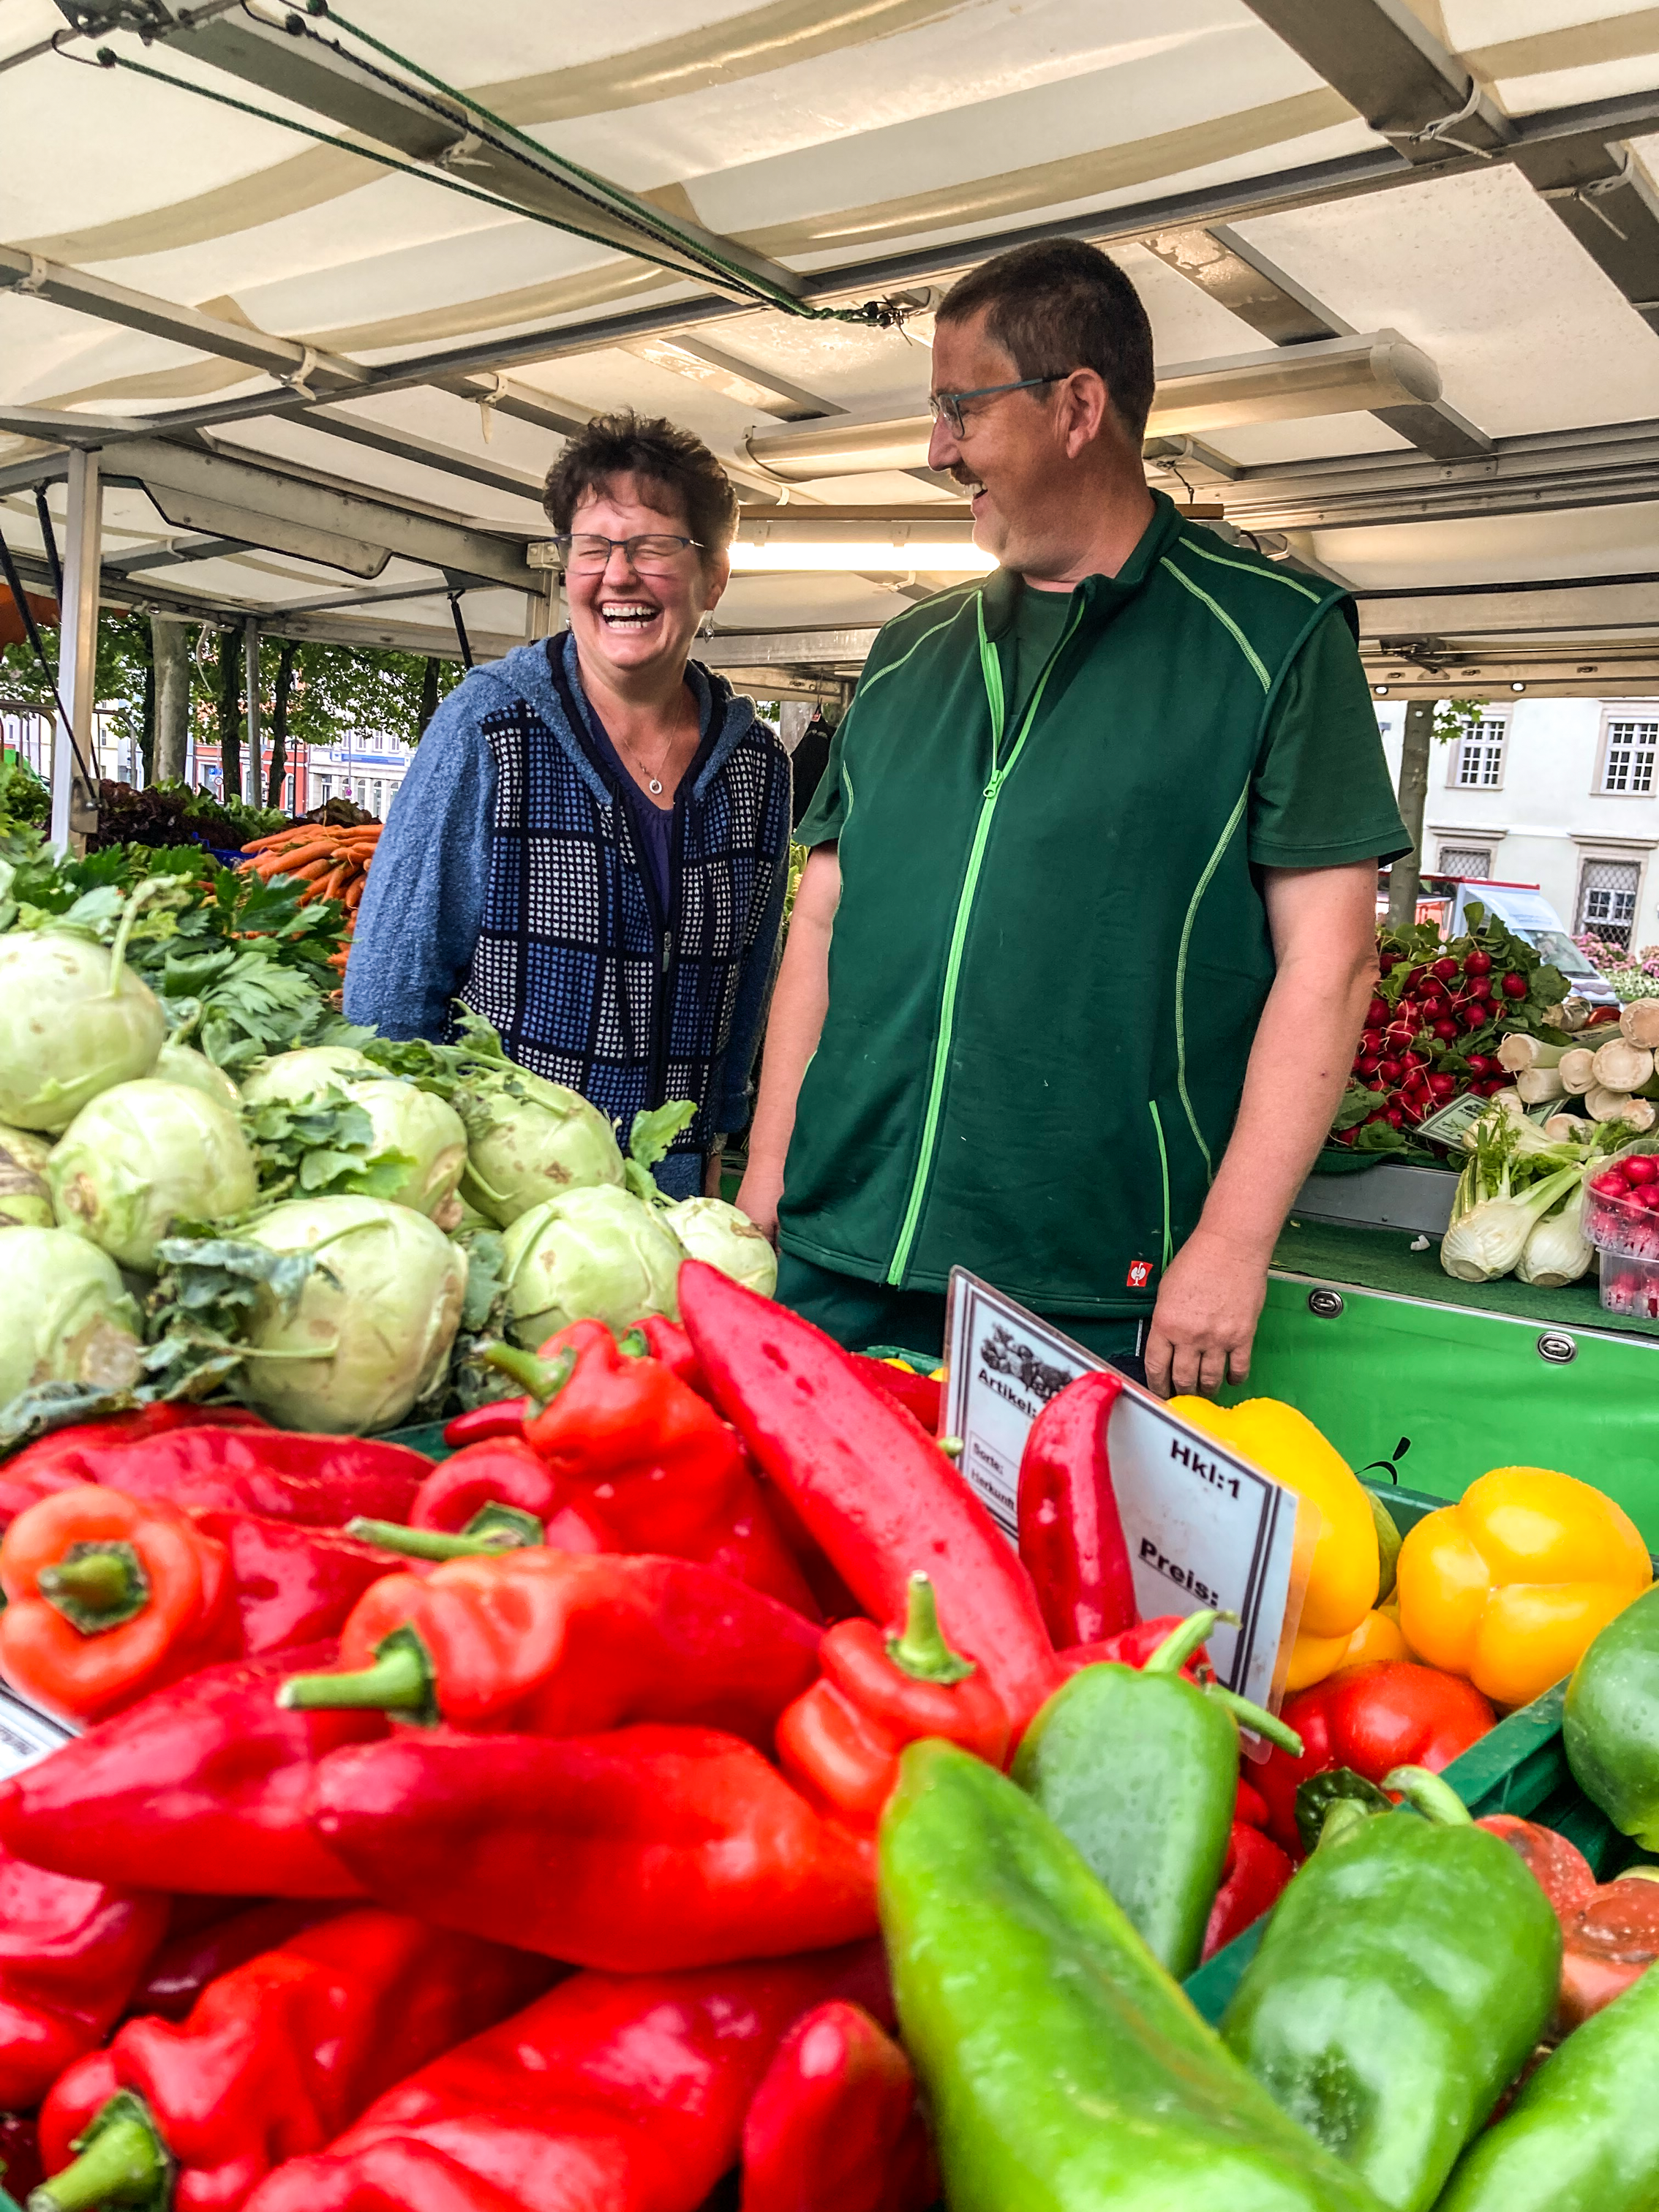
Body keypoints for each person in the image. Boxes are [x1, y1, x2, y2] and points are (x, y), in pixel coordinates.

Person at [737, 239, 1408, 1393]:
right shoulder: (904, 654)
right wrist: (766, 1178)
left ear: (1078, 406)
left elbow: (1332, 963)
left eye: (958, 408)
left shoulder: (1274, 634)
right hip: (831, 1253)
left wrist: (1233, 1244)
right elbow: (821, 926)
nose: (936, 449)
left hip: (1080, 1283)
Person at [345, 413, 791, 1200]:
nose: (618, 575)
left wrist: (721, 1131)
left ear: (713, 576)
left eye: (653, 546)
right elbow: (390, 990)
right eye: (593, 547)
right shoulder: (488, 728)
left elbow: (749, 981)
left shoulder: (755, 765)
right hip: (507, 1194)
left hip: (674, 1194)